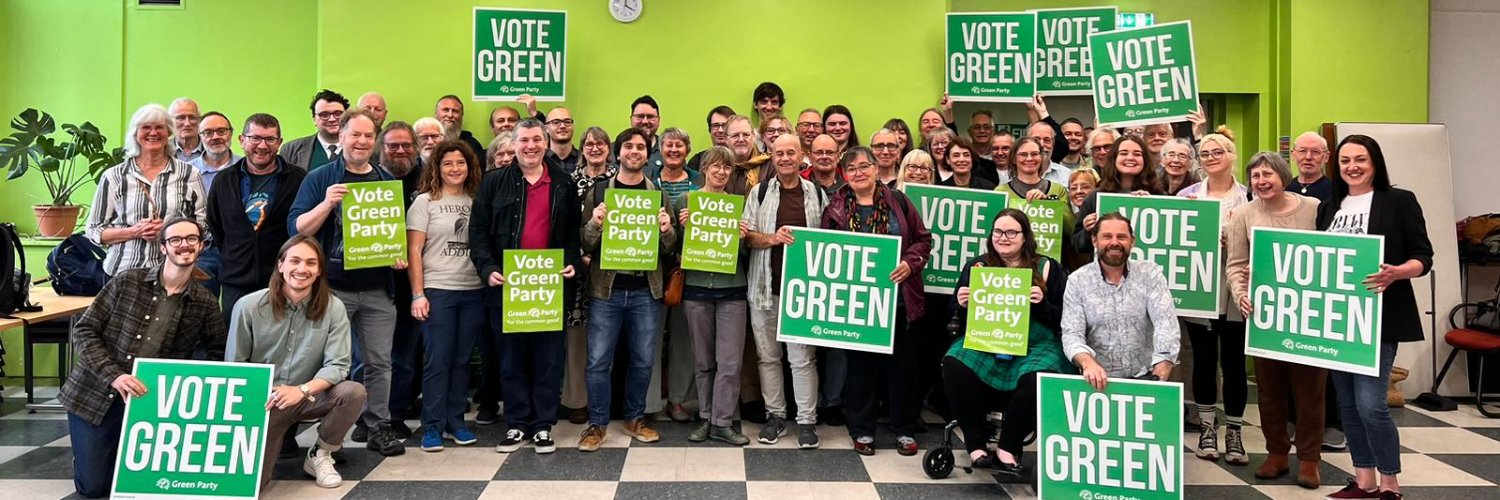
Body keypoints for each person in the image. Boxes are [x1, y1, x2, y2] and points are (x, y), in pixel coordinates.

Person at [60, 217, 226, 498]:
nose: (184, 245)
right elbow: (84, 330)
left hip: (149, 403)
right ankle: (91, 457)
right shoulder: (128, 281)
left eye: (192, 239)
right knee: (96, 486)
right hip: (94, 394)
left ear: (201, 246)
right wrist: (115, 376)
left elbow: (218, 352)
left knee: (141, 483)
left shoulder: (204, 302)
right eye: (175, 240)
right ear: (163, 247)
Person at [1318, 135, 1433, 500]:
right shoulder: (1329, 207)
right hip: (1338, 321)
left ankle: (1390, 484)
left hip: (1379, 319)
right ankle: (1363, 479)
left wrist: (1397, 272)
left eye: (1360, 159)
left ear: (1375, 163)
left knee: (1371, 405)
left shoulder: (1399, 201)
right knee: (1347, 405)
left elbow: (1424, 258)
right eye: (1345, 161)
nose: (1352, 167)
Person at [287, 109, 406, 456]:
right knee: (321, 361)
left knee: (380, 362)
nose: (362, 141)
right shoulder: (320, 178)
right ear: (341, 137)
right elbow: (297, 229)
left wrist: (396, 255)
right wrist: (327, 203)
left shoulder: (385, 181)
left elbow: (392, 234)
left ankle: (377, 426)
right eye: (355, 134)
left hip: (377, 287)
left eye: (369, 136)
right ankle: (321, 431)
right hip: (332, 288)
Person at [469, 119, 582, 454]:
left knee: (548, 361)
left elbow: (573, 233)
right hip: (507, 287)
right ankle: (517, 424)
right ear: (513, 144)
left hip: (549, 287)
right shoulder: (493, 182)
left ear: (546, 143)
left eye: (536, 140)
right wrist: (488, 269)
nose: (530, 146)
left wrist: (572, 262)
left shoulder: (563, 183)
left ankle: (543, 425)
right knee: (511, 360)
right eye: (524, 140)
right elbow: (478, 233)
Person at [228, 235, 366, 489]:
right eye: (295, 261)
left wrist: (300, 390)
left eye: (311, 263)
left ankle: (320, 454)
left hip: (310, 395)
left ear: (319, 270)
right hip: (265, 402)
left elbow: (338, 365)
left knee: (353, 392)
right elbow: (236, 367)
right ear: (280, 265)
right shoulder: (248, 306)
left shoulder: (333, 307)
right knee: (251, 486)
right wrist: (260, 399)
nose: (302, 269)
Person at [821, 146, 933, 456]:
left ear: (875, 168)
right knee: (860, 369)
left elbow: (923, 239)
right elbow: (825, 250)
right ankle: (862, 430)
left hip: (897, 300)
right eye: (851, 169)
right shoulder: (835, 207)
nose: (858, 173)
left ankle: (904, 429)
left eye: (863, 166)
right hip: (857, 304)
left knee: (902, 368)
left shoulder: (899, 201)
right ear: (845, 175)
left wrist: (910, 263)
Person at [948, 208, 1072, 478]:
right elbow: (953, 314)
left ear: (1025, 236)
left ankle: (1008, 447)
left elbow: (1066, 317)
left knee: (1039, 376)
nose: (1003, 237)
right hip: (987, 339)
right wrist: (960, 304)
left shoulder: (1047, 267)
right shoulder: (977, 267)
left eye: (1011, 232)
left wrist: (1042, 305)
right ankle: (976, 445)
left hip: (1035, 343)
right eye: (998, 232)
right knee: (954, 363)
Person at [1225, 152, 1325, 488]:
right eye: (1255, 176)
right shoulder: (1243, 214)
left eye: (1267, 174)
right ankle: (1277, 453)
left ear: (1283, 175)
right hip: (1264, 317)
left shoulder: (1313, 208)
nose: (1261, 181)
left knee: (1310, 391)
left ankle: (1309, 459)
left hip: (1307, 317)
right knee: (1270, 391)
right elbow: (1235, 264)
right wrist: (1241, 294)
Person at [577, 127, 678, 451]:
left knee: (643, 359)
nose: (635, 151)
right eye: (629, 146)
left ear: (647, 155)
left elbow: (670, 248)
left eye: (641, 147)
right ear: (617, 153)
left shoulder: (657, 195)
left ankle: (635, 418)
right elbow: (584, 244)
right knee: (597, 361)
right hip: (606, 291)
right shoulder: (599, 192)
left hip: (645, 291)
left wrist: (666, 230)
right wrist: (594, 224)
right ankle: (597, 424)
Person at [744, 135, 830, 448]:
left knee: (803, 358)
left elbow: (830, 238)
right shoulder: (759, 192)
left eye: (790, 153)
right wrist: (773, 238)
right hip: (764, 289)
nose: (784, 158)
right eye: (778, 153)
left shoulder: (816, 193)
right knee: (768, 358)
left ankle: (807, 422)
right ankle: (776, 417)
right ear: (772, 157)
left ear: (801, 155)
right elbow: (746, 236)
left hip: (803, 294)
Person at [1177, 130, 1251, 464]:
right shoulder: (1187, 196)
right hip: (1200, 291)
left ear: (1231, 155)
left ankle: (1234, 432)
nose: (1210, 158)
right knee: (1204, 361)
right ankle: (1207, 428)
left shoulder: (1249, 197)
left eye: (1217, 151)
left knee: (1234, 363)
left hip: (1237, 293)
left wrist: (1233, 242)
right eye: (1205, 153)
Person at [674, 145, 753, 445]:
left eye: (727, 167)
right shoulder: (686, 200)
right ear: (704, 169)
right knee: (704, 361)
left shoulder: (737, 205)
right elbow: (672, 248)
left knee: (729, 362)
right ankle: (706, 417)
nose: (721, 171)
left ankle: (722, 422)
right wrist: (683, 229)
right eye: (716, 166)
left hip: (732, 291)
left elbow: (744, 256)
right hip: (696, 290)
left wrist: (742, 239)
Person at [86, 103, 208, 278]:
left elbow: (204, 226)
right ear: (135, 133)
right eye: (146, 128)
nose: (153, 133)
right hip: (122, 273)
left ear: (169, 133)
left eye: (159, 127)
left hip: (174, 273)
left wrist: (170, 232)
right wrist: (134, 231)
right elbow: (94, 229)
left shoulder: (189, 174)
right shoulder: (114, 176)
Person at [1061, 213, 1180, 388]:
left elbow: (1165, 322)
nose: (1114, 242)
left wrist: (1164, 362)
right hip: (1099, 382)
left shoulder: (1150, 274)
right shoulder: (1077, 281)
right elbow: (1072, 334)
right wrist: (1088, 363)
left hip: (1148, 376)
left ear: (1132, 241)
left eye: (1122, 237)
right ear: (1094, 241)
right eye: (1107, 236)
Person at [207, 113, 307, 315]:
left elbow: (302, 228)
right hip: (236, 281)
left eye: (270, 139)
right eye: (255, 138)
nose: (262, 146)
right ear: (242, 140)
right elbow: (216, 226)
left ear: (279, 143)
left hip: (282, 280)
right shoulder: (223, 181)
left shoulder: (298, 179)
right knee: (236, 334)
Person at [563, 125, 618, 424]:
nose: (595, 148)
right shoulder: (568, 181)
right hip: (578, 271)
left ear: (609, 149)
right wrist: (579, 255)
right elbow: (563, 223)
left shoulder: (619, 180)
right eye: (589, 144)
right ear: (582, 148)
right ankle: (577, 401)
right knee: (577, 338)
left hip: (612, 271)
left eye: (601, 143)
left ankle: (606, 399)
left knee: (608, 338)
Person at [377, 120, 428, 435]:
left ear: (416, 148)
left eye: (406, 145)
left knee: (406, 355)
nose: (400, 150)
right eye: (393, 145)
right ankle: (369, 418)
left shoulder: (428, 181)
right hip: (372, 282)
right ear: (381, 148)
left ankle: (395, 414)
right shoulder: (369, 180)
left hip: (413, 283)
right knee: (369, 356)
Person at [654, 126, 702, 423]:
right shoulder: (647, 182)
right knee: (650, 338)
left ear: (687, 150)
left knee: (684, 340)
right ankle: (648, 403)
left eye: (679, 145)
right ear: (660, 150)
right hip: (652, 269)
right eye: (669, 145)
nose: (674, 150)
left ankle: (679, 400)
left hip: (688, 269)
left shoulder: (701, 183)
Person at [1071, 135, 1163, 256]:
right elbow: (1078, 245)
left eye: (1137, 154)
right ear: (1114, 158)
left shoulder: (1158, 195)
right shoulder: (1095, 197)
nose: (1130, 158)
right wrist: (1087, 231)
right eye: (1123, 153)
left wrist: (1153, 203)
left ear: (1144, 160)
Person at [189, 111, 239, 299]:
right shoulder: (187, 172)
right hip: (202, 251)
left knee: (236, 306)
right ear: (200, 137)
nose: (215, 137)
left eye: (221, 131)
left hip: (238, 250)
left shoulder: (246, 167)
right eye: (208, 133)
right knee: (200, 304)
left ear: (231, 133)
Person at [280, 89, 349, 170]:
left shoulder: (360, 147)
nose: (332, 119)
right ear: (314, 119)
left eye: (338, 113)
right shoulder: (290, 150)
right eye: (324, 114)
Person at [725, 115, 770, 194]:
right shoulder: (719, 167)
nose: (741, 139)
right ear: (726, 139)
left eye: (746, 135)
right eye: (735, 135)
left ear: (754, 137)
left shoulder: (768, 167)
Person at [687, 105, 736, 173]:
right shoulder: (697, 162)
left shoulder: (741, 161)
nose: (720, 130)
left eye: (725, 125)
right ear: (710, 130)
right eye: (715, 125)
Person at [1290, 131, 1333, 201]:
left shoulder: (1336, 191)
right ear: (1293, 155)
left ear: (1326, 157)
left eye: (1315, 152)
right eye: (1302, 151)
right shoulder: (1284, 189)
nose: (1308, 157)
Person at [629, 95, 666, 174]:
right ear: (631, 119)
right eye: (640, 116)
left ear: (658, 120)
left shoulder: (670, 151)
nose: (645, 121)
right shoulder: (615, 150)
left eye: (650, 117)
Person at [544, 107, 580, 173]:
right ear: (546, 128)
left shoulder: (584, 159)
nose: (562, 126)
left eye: (567, 122)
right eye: (556, 122)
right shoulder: (540, 160)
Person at [169, 97, 204, 163]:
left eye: (192, 118)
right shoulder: (162, 149)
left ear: (200, 120)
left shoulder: (210, 148)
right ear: (170, 121)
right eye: (180, 118)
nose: (187, 123)